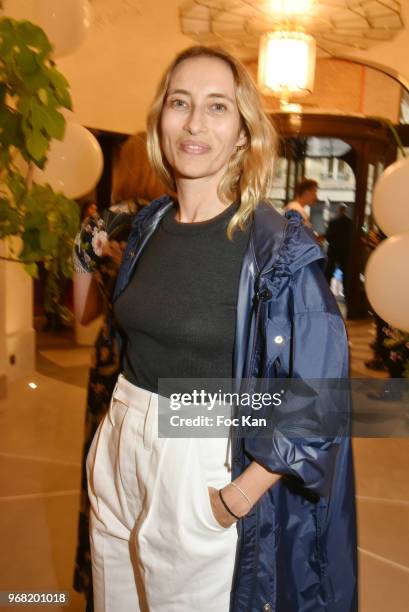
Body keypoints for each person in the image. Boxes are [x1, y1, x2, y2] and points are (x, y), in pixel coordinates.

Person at [75, 46, 357, 612]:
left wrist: (239, 495)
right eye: (181, 103)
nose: (195, 122)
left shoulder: (277, 246)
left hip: (199, 449)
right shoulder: (150, 224)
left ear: (244, 134)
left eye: (218, 107)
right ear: (161, 119)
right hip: (120, 444)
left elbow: (320, 394)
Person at [72, 133, 166, 611]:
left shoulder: (98, 226)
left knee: (103, 478)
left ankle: (103, 585)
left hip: (110, 364)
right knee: (157, 481)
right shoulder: (171, 222)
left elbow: (83, 313)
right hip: (159, 367)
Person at [325, 203, 353, 298]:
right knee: (346, 273)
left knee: (329, 271)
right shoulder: (350, 223)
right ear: (345, 210)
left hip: (334, 250)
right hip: (345, 251)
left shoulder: (333, 222)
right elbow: (352, 238)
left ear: (339, 210)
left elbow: (328, 237)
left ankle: (325, 291)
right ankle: (346, 293)